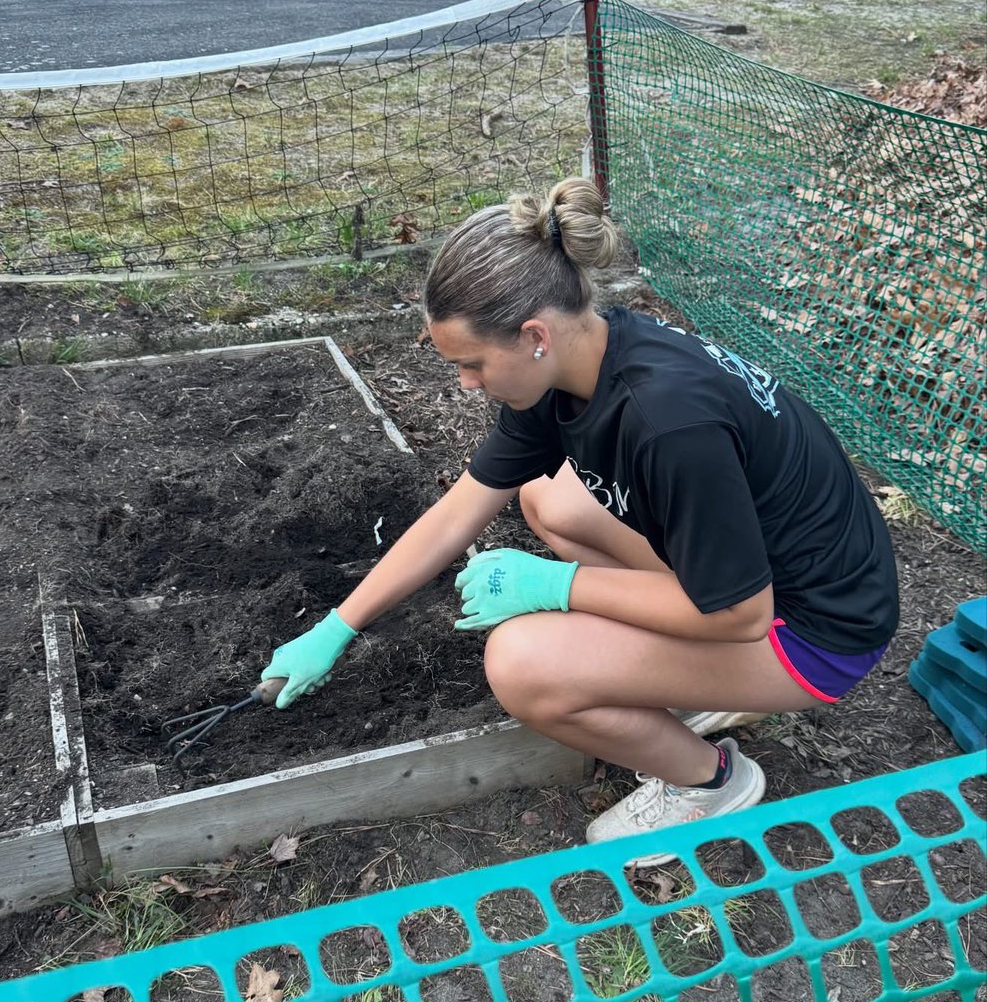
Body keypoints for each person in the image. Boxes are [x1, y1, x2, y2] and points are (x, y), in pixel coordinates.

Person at [260, 177, 899, 866]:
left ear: (533, 334)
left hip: (812, 631)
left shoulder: (668, 423)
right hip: (763, 573)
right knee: (551, 499)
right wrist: (338, 626)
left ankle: (709, 781)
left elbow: (741, 614)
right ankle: (691, 686)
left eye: (471, 363)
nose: (466, 383)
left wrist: (556, 586)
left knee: (522, 665)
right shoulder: (579, 361)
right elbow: (457, 513)